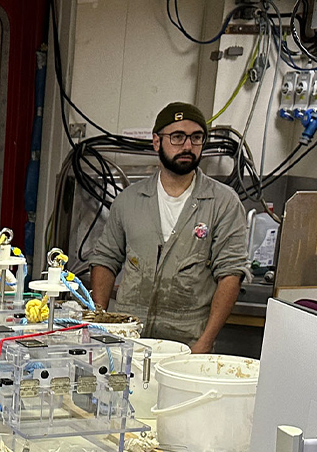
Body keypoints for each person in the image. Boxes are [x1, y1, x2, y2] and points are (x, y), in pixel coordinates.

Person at [84, 102, 249, 353]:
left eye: (196, 138)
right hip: (129, 337)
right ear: (156, 142)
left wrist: (204, 342)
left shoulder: (223, 203)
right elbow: (105, 260)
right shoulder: (129, 200)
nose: (187, 146)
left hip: (187, 342)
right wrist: (98, 323)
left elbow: (230, 273)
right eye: (177, 137)